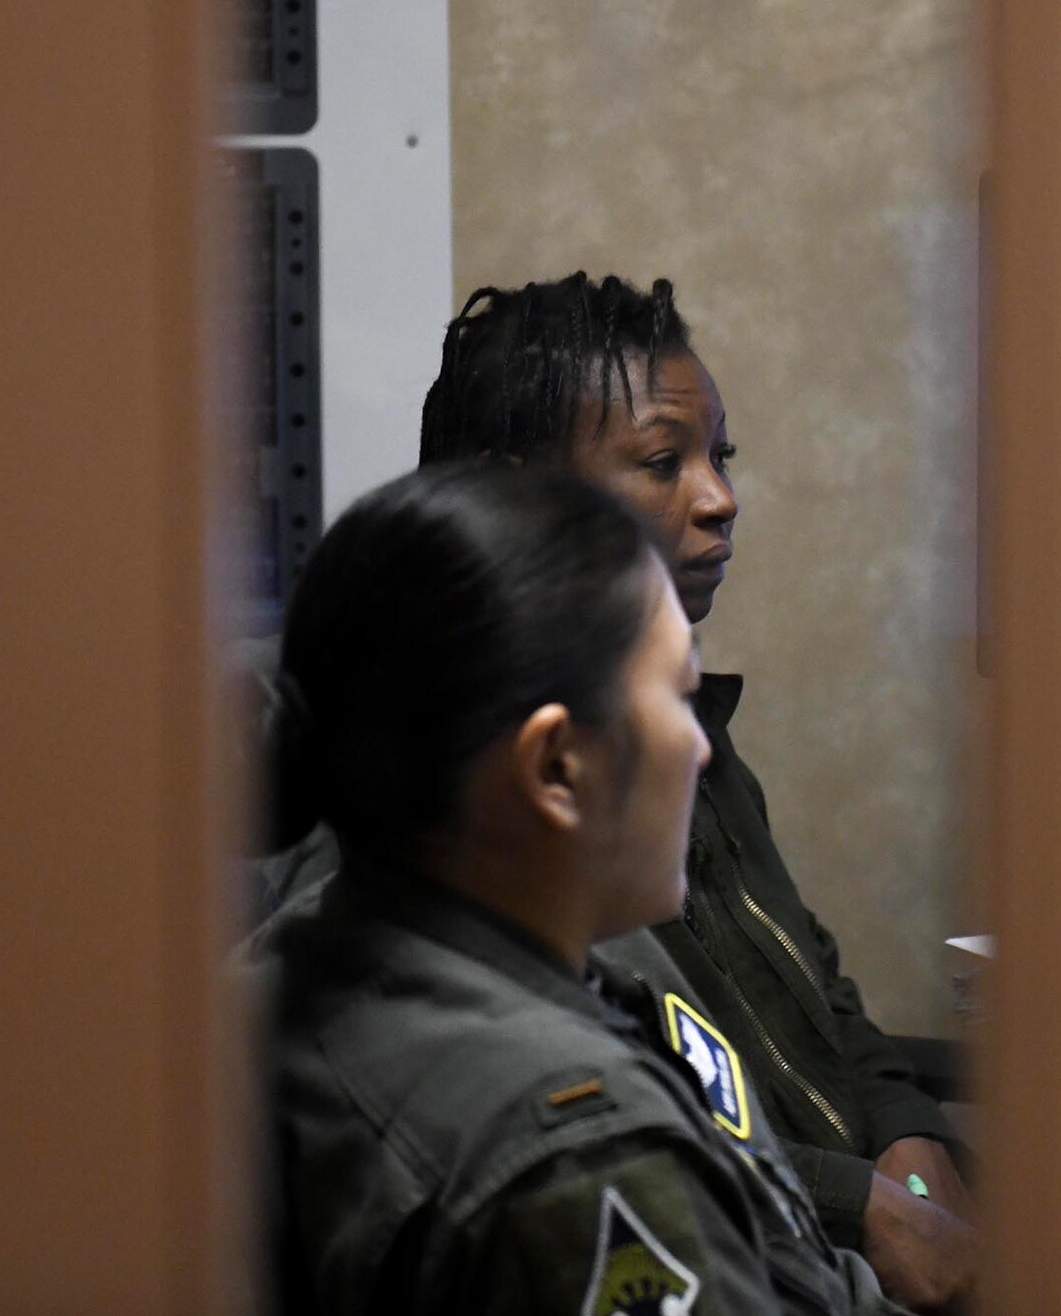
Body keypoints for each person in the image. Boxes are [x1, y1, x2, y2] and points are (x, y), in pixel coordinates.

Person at [413, 274, 982, 1312]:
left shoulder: (679, 730)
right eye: (662, 461)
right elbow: (592, 1114)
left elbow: (820, 988)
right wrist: (864, 1206)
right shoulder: (471, 803)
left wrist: (909, 1139)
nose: (718, 496)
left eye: (718, 457)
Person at [258, 463, 902, 1314]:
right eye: (677, 695)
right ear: (557, 765)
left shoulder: (309, 960)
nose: (701, 749)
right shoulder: (583, 1159)